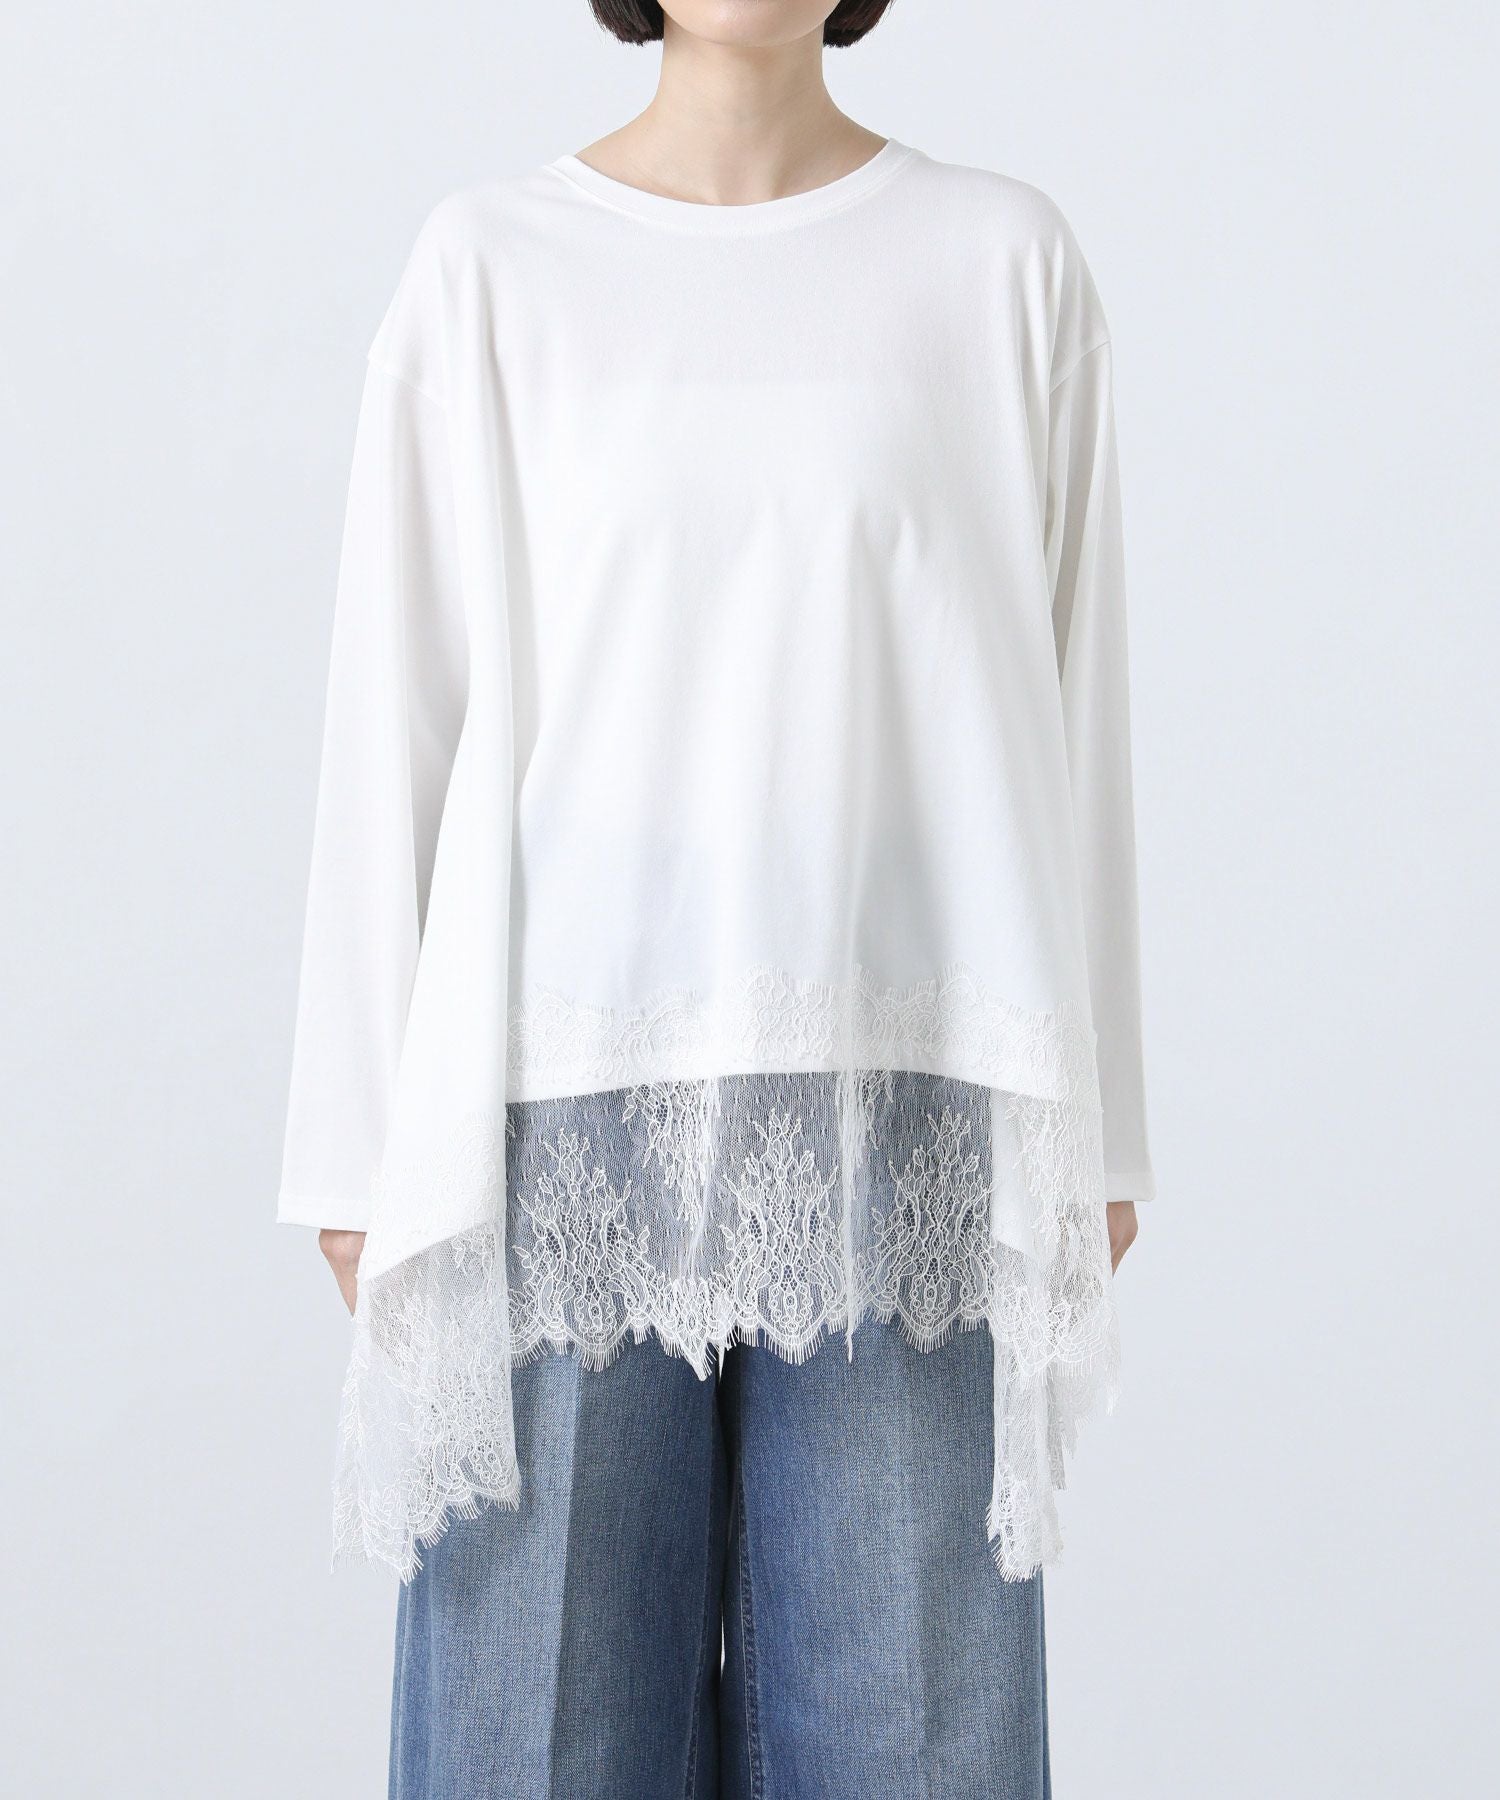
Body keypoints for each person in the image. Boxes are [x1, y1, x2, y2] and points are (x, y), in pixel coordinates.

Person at [279, 2, 1153, 1793]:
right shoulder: (492, 272)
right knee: (535, 1745)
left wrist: (1102, 1126)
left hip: (910, 1112)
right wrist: (356, 1151)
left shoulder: (1000, 266)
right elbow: (395, 713)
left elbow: (1076, 711)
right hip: (554, 1130)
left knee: (920, 1750)